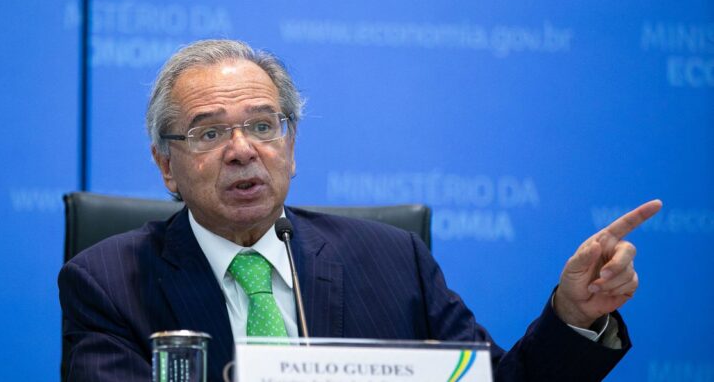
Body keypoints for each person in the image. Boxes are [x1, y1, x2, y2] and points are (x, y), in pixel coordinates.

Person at [58, 39, 662, 381]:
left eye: (264, 126)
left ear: (291, 147)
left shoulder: (393, 261)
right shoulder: (107, 284)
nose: (243, 151)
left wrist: (573, 315)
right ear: (166, 165)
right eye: (209, 133)